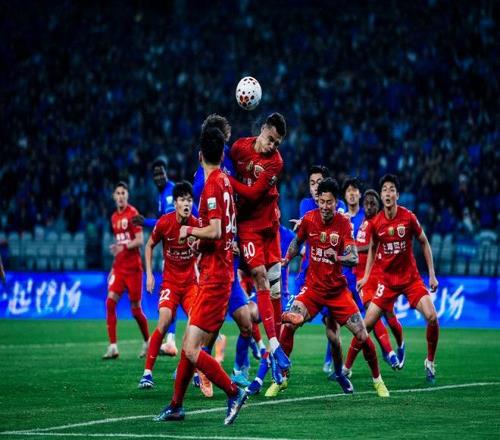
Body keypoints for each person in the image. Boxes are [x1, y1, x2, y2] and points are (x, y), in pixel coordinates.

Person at [155, 127, 247, 425]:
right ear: (222, 154)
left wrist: (190, 230)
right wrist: (201, 242)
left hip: (215, 278)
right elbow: (221, 233)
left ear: (199, 155)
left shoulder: (211, 186)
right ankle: (176, 405)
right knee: (188, 343)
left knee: (192, 348)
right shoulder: (226, 182)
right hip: (217, 271)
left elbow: (216, 230)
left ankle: (233, 392)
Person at [279, 178, 390, 397]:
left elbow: (353, 257)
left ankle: (377, 380)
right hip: (313, 289)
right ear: (318, 200)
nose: (325, 206)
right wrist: (286, 259)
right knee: (289, 325)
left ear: (335, 202)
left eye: (329, 202)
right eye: (322, 202)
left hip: (337, 292)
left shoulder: (343, 224)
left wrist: (336, 256)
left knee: (361, 335)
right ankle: (281, 378)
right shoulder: (309, 219)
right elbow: (297, 242)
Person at [193, 114, 258, 395]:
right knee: (208, 330)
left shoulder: (227, 167)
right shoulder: (204, 181)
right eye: (225, 138)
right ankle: (200, 368)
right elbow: (205, 222)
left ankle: (237, 371)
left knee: (245, 325)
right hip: (215, 266)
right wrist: (196, 236)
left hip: (229, 264)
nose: (228, 143)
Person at [357, 174, 439, 383]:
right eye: (384, 189)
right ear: (381, 195)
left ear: (397, 195)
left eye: (391, 189)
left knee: (432, 317)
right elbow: (373, 248)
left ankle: (430, 362)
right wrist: (366, 277)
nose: (388, 193)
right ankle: (346, 368)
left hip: (411, 280)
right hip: (387, 283)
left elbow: (424, 241)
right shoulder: (376, 223)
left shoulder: (408, 217)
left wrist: (431, 274)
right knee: (365, 326)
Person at [227, 112, 291, 377]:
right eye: (270, 138)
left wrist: (227, 180)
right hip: (249, 228)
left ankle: (276, 358)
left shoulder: (276, 162)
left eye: (277, 143)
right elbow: (225, 165)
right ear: (263, 129)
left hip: (270, 228)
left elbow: (253, 194)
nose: (272, 146)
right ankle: (274, 347)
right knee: (260, 277)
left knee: (275, 293)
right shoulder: (239, 148)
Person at [138, 181, 198, 388]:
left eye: (189, 200)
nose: (186, 203)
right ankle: (147, 373)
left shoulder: (196, 225)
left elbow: (207, 248)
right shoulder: (165, 222)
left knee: (195, 325)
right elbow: (149, 245)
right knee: (163, 322)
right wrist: (149, 274)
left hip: (190, 284)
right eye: (182, 199)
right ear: (175, 203)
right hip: (170, 283)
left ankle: (187, 369)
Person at [293, 165, 347, 373]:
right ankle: (279, 367)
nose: (315, 187)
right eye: (312, 183)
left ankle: (333, 363)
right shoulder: (305, 204)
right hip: (308, 273)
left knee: (331, 326)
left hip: (330, 275)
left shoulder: (339, 206)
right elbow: (307, 228)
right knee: (291, 320)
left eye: (319, 183)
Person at [343, 189, 400, 376]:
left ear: (378, 206)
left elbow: (376, 245)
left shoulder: (379, 223)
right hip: (360, 277)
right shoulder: (363, 222)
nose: (368, 206)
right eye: (366, 203)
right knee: (372, 318)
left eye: (372, 204)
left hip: (373, 277)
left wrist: (354, 249)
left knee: (373, 317)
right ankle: (389, 352)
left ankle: (391, 351)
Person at [132, 158, 179, 357]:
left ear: (167, 173)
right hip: (171, 252)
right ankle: (171, 341)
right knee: (172, 296)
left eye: (162, 173)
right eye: (156, 174)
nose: (159, 177)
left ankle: (211, 338)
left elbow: (167, 221)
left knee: (174, 296)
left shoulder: (170, 192)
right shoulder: (161, 195)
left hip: (180, 252)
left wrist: (146, 222)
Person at [103, 182, 150, 360]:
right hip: (119, 268)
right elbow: (119, 244)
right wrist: (113, 267)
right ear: (114, 197)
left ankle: (147, 341)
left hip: (133, 269)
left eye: (123, 193)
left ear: (127, 195)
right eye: (118, 193)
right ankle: (113, 346)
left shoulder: (133, 213)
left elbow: (139, 240)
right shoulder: (114, 217)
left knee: (135, 310)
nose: (121, 196)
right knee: (110, 303)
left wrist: (122, 248)